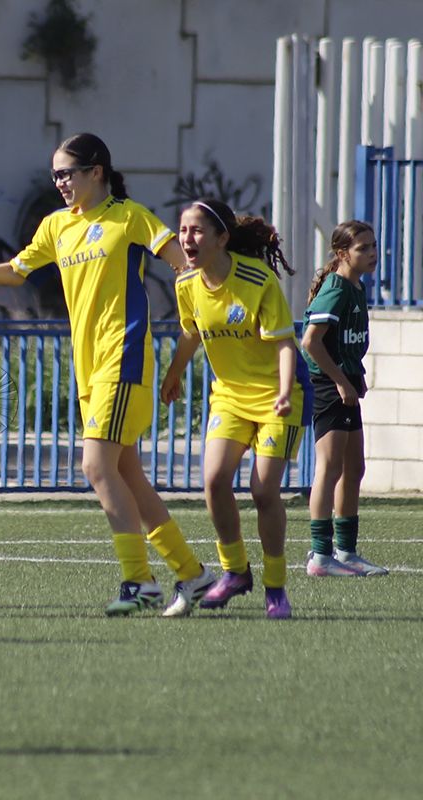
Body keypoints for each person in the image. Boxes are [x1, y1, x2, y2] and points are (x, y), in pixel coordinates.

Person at [0, 132, 214, 617]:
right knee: (128, 475)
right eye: (55, 174)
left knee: (95, 466)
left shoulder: (128, 217)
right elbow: (18, 270)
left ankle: (139, 581)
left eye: (67, 172)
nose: (60, 181)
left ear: (96, 172)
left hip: (123, 359)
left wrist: (200, 319)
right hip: (89, 368)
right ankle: (193, 575)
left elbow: (181, 265)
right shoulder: (56, 226)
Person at [159, 199, 309, 619]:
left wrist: (282, 391)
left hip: (279, 397)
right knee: (214, 480)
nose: (187, 239)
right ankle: (235, 572)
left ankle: (276, 588)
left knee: (263, 492)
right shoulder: (187, 285)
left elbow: (283, 342)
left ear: (222, 238)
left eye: (197, 231)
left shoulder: (256, 278)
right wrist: (174, 372)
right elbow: (191, 334)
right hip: (229, 396)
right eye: (183, 230)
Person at [301, 221, 386, 576]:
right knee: (330, 467)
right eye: (362, 248)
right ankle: (321, 556)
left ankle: (346, 551)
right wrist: (339, 381)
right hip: (328, 385)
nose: (371, 254)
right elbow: (310, 342)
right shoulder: (335, 290)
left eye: (373, 246)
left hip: (346, 382)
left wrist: (355, 376)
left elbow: (346, 341)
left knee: (355, 469)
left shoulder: (356, 287)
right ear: (342, 254)